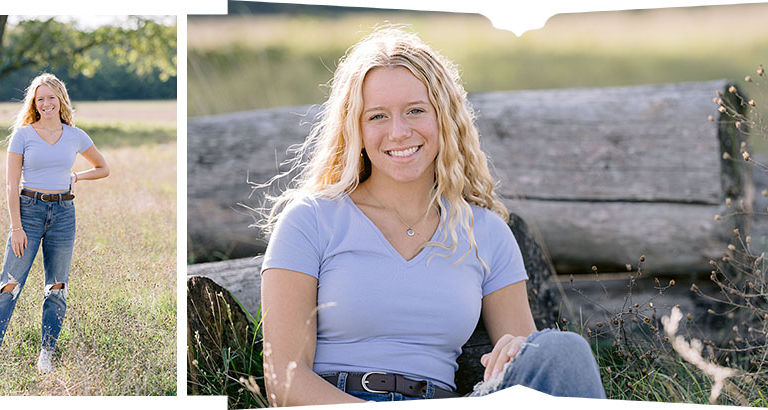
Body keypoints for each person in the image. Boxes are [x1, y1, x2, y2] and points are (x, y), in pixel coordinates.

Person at [257, 27, 606, 404]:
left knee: (563, 351)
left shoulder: (485, 232)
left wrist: (515, 351)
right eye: (377, 116)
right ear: (354, 127)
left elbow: (522, 354)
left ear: (445, 118)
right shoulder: (311, 220)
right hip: (341, 400)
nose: (399, 132)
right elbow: (284, 380)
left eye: (415, 111)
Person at [0, 73, 110, 375]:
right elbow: (10, 185)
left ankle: (46, 353)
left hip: (63, 213)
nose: (46, 103)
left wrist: (77, 176)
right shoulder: (23, 135)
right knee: (10, 285)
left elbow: (103, 168)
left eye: (51, 97)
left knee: (56, 287)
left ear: (61, 99)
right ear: (34, 102)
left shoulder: (75, 135)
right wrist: (16, 227)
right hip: (29, 212)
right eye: (40, 98)